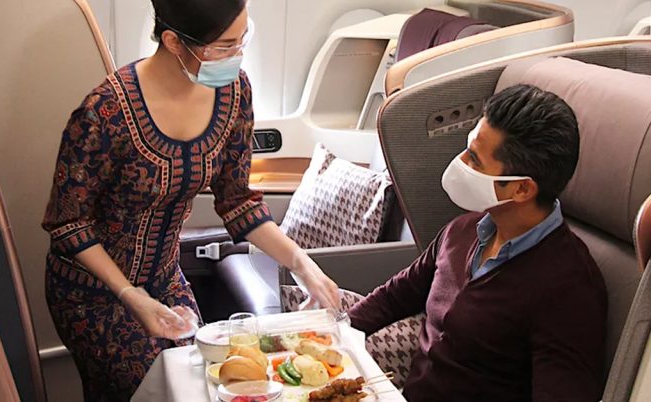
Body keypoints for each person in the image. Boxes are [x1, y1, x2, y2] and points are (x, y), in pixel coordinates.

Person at [41, 1, 341, 400]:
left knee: (202, 382)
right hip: (93, 293)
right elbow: (68, 223)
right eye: (224, 46)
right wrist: (129, 294)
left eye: (242, 40)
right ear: (172, 41)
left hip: (164, 279)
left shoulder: (234, 93)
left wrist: (302, 263)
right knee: (152, 391)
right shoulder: (106, 111)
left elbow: (238, 201)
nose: (237, 55)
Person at [349, 84, 607, 402]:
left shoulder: (570, 289)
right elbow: (395, 297)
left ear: (522, 189)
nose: (460, 162)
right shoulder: (464, 230)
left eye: (474, 160)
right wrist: (331, 333)